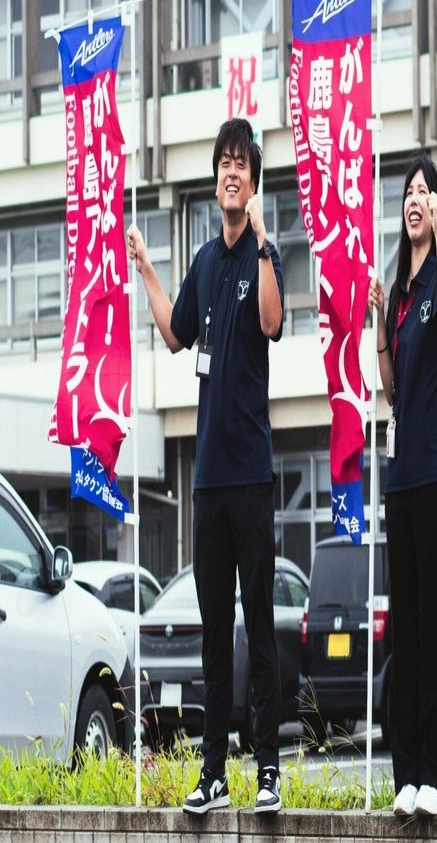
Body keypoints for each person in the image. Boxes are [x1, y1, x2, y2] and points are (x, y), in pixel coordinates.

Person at [126, 117, 284, 815]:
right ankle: (213, 771)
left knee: (259, 626)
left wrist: (266, 241)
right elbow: (174, 333)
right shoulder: (205, 259)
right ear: (216, 177)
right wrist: (147, 270)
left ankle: (269, 770)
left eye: (240, 164)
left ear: (252, 180)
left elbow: (272, 322)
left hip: (251, 474)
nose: (230, 173)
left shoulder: (260, 255)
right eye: (223, 163)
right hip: (209, 479)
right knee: (215, 630)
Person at [367, 151, 437, 818]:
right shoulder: (399, 291)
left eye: (424, 192)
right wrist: (379, 319)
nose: (414, 201)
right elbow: (390, 385)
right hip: (399, 479)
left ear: (436, 207)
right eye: (408, 193)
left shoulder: (436, 281)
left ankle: (434, 775)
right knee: (402, 628)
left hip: (432, 472)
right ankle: (405, 774)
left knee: (432, 627)